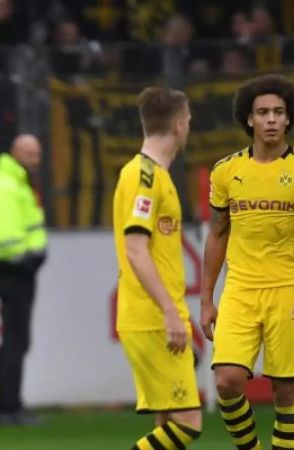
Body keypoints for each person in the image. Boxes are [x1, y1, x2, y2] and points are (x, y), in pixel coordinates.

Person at [201, 74, 294, 450]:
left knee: (285, 390)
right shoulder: (226, 171)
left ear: (289, 119)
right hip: (240, 290)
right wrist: (207, 299)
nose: (271, 119)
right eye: (263, 112)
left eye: (278, 112)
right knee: (226, 380)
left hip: (289, 290)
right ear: (249, 120)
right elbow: (218, 233)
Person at [113, 86, 202, 450]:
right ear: (180, 125)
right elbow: (136, 250)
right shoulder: (146, 178)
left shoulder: (151, 175)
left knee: (166, 420)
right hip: (152, 316)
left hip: (153, 313)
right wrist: (169, 311)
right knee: (188, 424)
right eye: (190, 121)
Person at [0, 134, 47, 425]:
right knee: (15, 340)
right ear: (16, 153)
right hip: (14, 269)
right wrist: (27, 259)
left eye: (37, 152)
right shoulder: (8, 184)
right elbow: (8, 236)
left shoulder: (14, 180)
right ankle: (8, 407)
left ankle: (3, 407)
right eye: (31, 153)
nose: (36, 158)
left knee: (13, 339)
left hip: (14, 269)